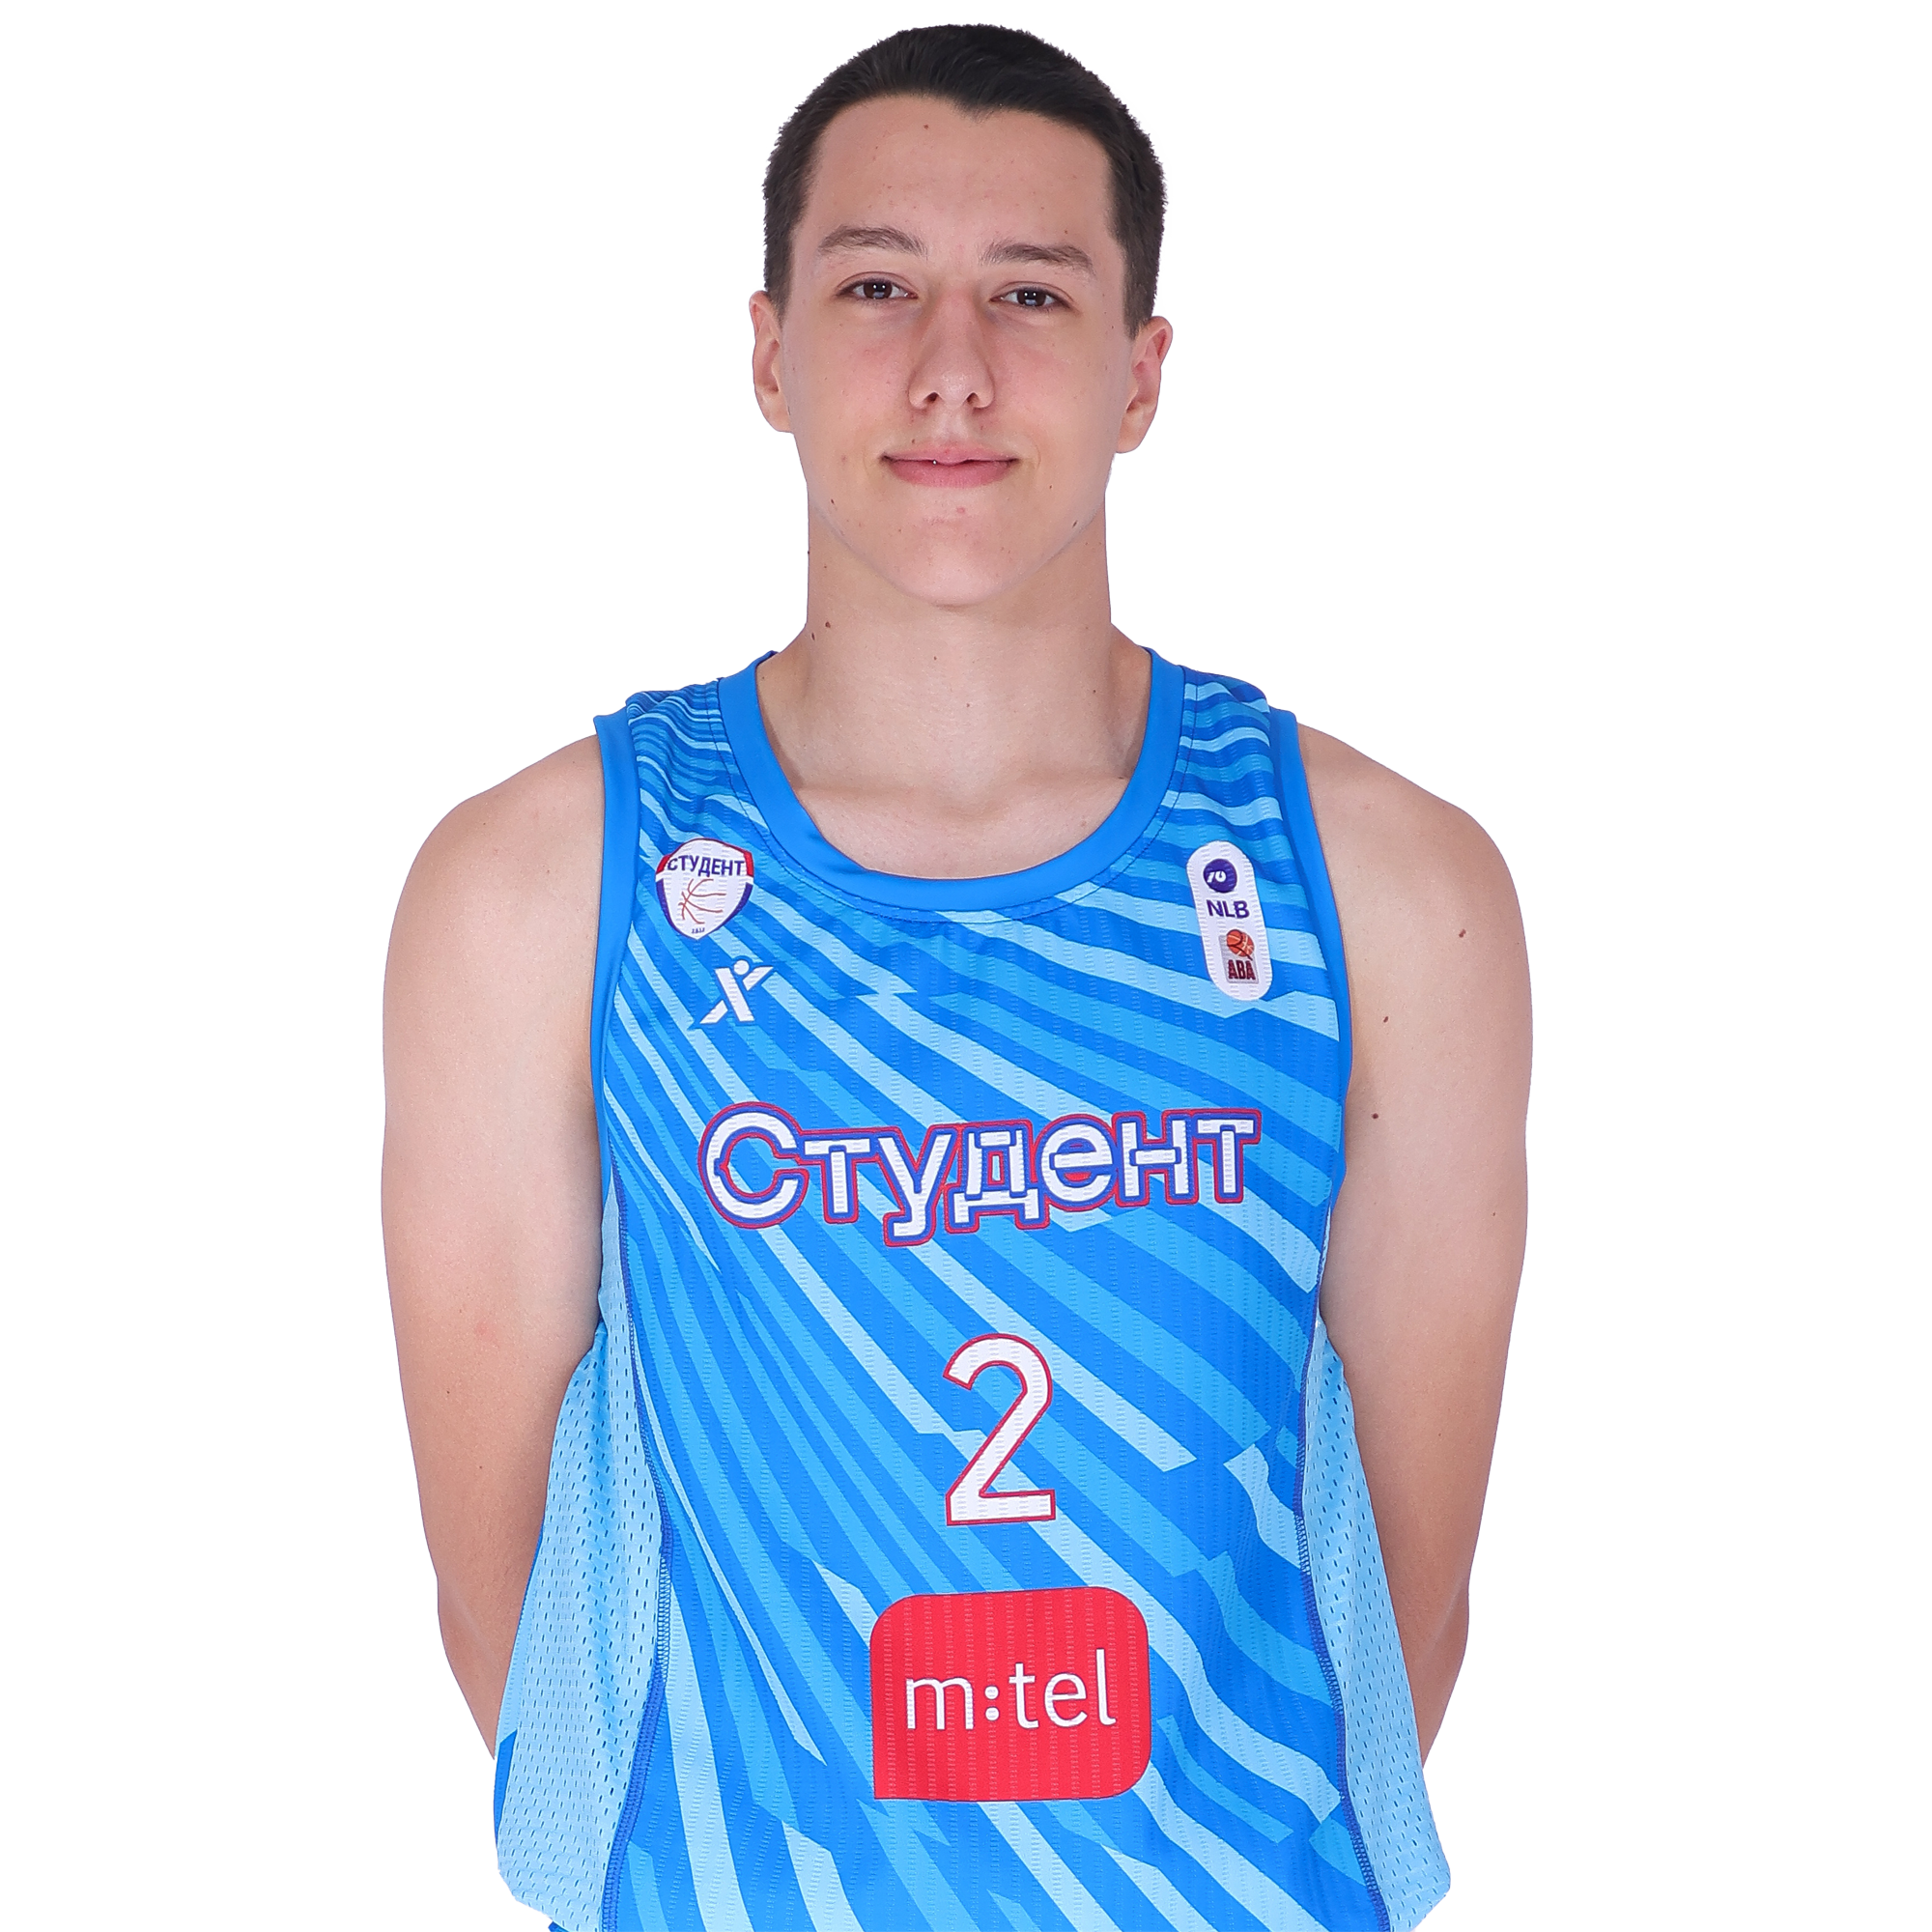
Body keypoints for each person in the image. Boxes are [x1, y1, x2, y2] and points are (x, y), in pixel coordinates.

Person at [384, 24, 1528, 1932]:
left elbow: (1397, 1613)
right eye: (877, 286)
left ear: (1141, 372)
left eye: (1031, 292)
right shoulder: (535, 888)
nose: (952, 367)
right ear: (768, 353)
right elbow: (511, 1607)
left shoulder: (1389, 888)